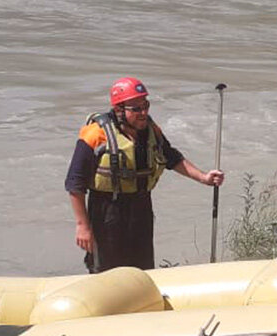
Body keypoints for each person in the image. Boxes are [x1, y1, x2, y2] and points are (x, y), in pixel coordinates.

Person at [65, 77, 225, 272]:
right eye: (136, 108)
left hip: (141, 209)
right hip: (106, 212)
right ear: (119, 109)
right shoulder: (95, 134)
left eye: (145, 106)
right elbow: (75, 183)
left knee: (143, 268)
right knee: (106, 271)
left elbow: (171, 157)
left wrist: (204, 178)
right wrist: (82, 226)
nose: (143, 113)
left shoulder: (151, 130)